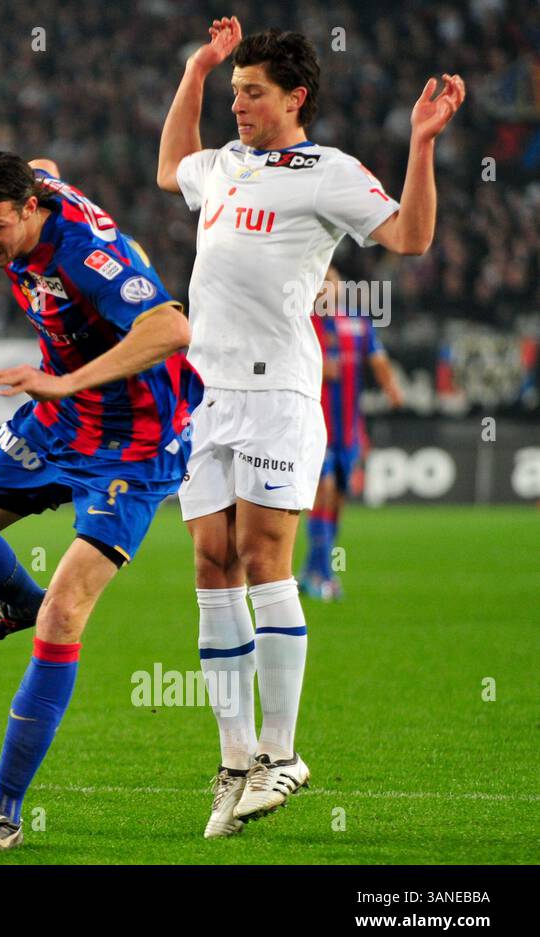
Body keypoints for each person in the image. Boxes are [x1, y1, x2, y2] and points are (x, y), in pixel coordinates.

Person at [156, 17, 463, 835]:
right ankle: (234, 760)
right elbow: (167, 167)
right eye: (233, 93)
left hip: (278, 393)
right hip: (204, 394)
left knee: (263, 559)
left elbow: (412, 235)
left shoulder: (324, 172)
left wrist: (423, 144)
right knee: (211, 564)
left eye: (251, 92)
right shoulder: (220, 166)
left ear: (295, 97)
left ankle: (283, 753)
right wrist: (197, 70)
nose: (238, 105)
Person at [0, 148, 202, 850]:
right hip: (56, 421)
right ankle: (15, 599)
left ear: (30, 209)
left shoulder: (86, 256)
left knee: (65, 610)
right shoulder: (29, 190)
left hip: (133, 444)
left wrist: (70, 382)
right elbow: (39, 159)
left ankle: (4, 813)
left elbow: (171, 327)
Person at [301, 266, 404, 601]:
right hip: (315, 429)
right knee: (324, 493)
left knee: (338, 502)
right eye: (321, 283)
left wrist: (391, 388)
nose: (326, 288)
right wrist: (314, 367)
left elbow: (377, 358)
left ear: (341, 287)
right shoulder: (304, 324)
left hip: (349, 431)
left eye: (331, 281)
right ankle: (324, 575)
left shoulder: (358, 323)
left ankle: (311, 570)